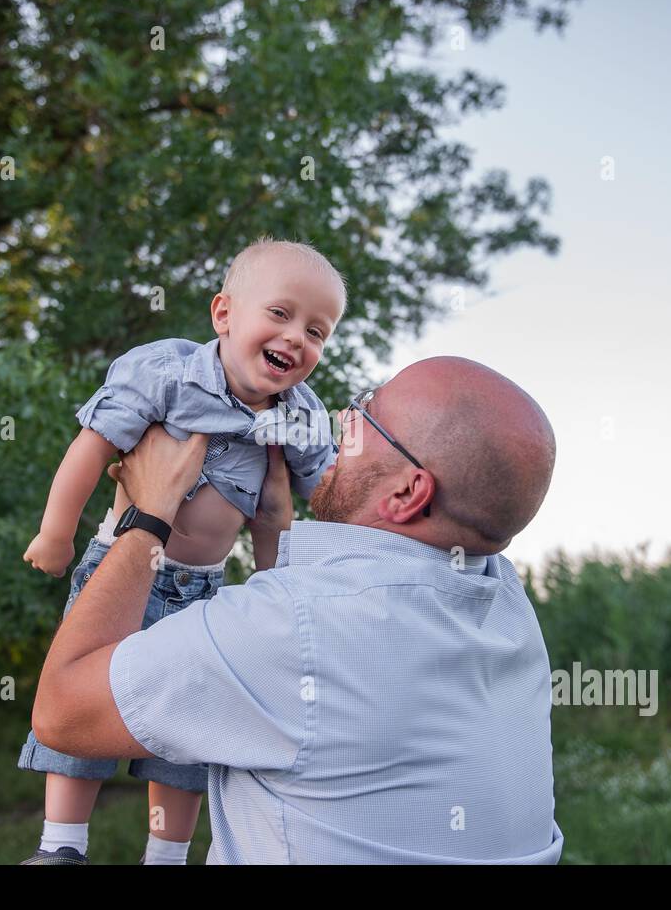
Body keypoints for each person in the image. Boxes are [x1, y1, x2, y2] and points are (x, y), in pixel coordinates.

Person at [32, 356, 564, 863]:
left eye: (365, 415)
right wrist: (274, 532)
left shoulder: (298, 625)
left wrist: (148, 517)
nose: (340, 421)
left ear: (407, 493)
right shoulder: (507, 606)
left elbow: (63, 713)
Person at [16, 239, 345, 864]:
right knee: (85, 694)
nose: (297, 336)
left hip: (205, 587)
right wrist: (55, 532)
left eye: (316, 330)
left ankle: (165, 855)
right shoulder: (168, 372)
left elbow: (329, 499)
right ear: (224, 315)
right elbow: (91, 445)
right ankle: (61, 846)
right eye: (279, 314)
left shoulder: (302, 417)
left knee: (190, 720)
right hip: (122, 563)